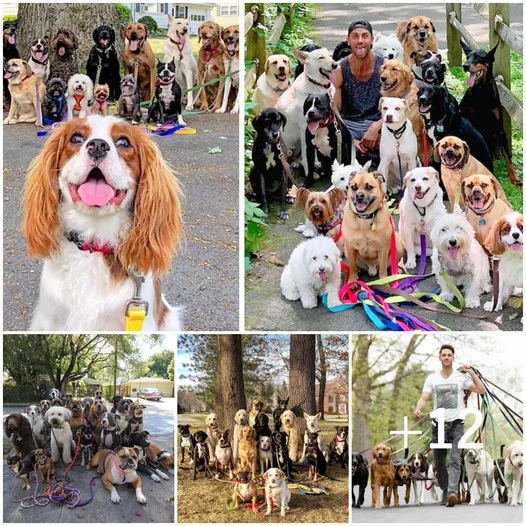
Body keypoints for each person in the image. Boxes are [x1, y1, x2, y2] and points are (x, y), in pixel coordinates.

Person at [414, 344, 486, 507]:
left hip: (457, 425)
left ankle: (453, 492)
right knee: (439, 462)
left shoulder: (461, 378)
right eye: (444, 355)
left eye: (449, 355)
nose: (446, 357)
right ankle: (446, 493)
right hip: (438, 425)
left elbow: (481, 390)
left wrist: (472, 373)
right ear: (440, 357)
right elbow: (424, 397)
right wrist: (418, 407)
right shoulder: (432, 378)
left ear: (453, 358)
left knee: (454, 458)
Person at [332, 21, 385, 161]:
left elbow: (397, 105)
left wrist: (376, 127)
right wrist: (348, 140)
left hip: (378, 122)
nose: (360, 41)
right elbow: (334, 112)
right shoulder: (339, 69)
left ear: (372, 40)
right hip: (349, 124)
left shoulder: (385, 67)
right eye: (355, 36)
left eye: (365, 36)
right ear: (348, 41)